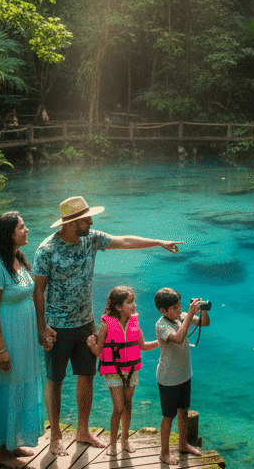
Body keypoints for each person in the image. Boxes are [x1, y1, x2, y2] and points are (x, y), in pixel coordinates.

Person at [32, 195, 184, 456]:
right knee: (54, 380)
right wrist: (42, 327)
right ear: (71, 223)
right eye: (86, 219)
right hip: (57, 326)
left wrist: (158, 242)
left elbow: (124, 241)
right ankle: (55, 435)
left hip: (86, 323)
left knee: (87, 376)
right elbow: (38, 292)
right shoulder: (46, 250)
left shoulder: (91, 239)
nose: (91, 222)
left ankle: (82, 430)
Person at [0, 212, 44, 468]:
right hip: (4, 337)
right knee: (4, 386)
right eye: (22, 227)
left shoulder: (18, 259)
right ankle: (1, 452)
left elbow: (30, 296)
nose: (27, 230)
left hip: (22, 337)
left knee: (19, 384)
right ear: (9, 233)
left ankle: (12, 443)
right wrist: (1, 349)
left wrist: (41, 330)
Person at [86, 285, 158, 455]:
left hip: (132, 370)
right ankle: (112, 444)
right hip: (113, 371)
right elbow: (100, 352)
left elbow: (142, 346)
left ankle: (125, 440)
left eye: (134, 302)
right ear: (118, 307)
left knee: (127, 405)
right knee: (118, 408)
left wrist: (160, 342)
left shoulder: (134, 321)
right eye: (130, 302)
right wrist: (91, 346)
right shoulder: (106, 325)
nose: (134, 306)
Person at [154, 287, 210, 466]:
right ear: (163, 311)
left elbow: (204, 323)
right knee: (168, 416)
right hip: (168, 378)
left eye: (179, 306)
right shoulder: (161, 324)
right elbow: (178, 338)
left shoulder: (181, 317)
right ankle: (164, 452)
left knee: (184, 411)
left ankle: (183, 444)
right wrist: (188, 315)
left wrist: (202, 310)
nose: (178, 310)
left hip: (184, 374)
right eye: (174, 308)